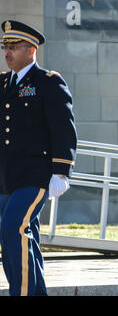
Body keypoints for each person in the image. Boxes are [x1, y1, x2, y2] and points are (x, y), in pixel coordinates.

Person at [0, 20, 77, 296]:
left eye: (13, 47)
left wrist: (61, 171)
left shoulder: (47, 82)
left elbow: (63, 127)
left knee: (12, 228)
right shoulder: (3, 82)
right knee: (19, 235)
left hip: (35, 174)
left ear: (31, 49)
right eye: (4, 46)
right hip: (6, 176)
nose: (7, 52)